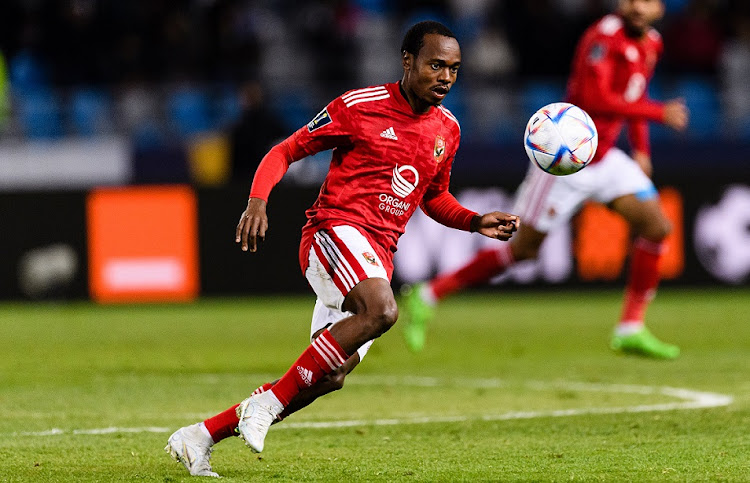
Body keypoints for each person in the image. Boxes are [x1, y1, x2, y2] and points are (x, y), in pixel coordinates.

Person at [164, 21, 519, 477]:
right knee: (384, 311)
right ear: (407, 61)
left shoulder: (447, 129)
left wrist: (474, 221)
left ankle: (200, 436)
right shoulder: (358, 106)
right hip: (333, 233)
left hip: (376, 255)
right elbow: (285, 151)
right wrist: (257, 201)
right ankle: (265, 406)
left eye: (453, 68)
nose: (446, 77)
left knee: (329, 374)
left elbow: (433, 197)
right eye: (435, 65)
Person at [402, 0, 689, 358]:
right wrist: (659, 113)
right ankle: (428, 295)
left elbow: (635, 94)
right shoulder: (602, 37)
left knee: (657, 226)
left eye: (644, 1)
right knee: (523, 250)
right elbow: (593, 98)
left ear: (660, 8)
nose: (635, 6)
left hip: (605, 157)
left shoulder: (652, 43)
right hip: (562, 163)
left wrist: (641, 149)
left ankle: (630, 327)